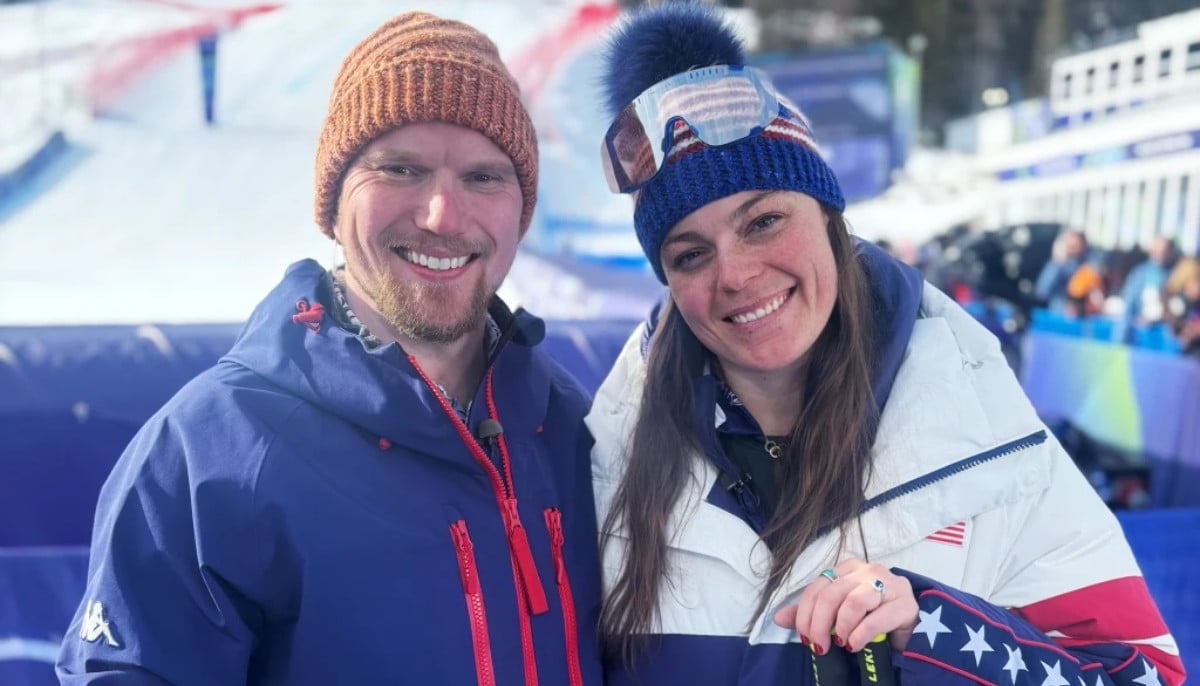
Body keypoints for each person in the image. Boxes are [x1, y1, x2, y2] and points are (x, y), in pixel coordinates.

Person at [585, 4, 1183, 685]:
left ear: (830, 217)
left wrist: (934, 633)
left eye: (765, 221)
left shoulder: (982, 436)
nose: (737, 276)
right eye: (690, 255)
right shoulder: (610, 462)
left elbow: (1147, 675)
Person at [57, 12, 604, 685]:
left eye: (484, 177)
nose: (441, 215)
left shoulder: (572, 432)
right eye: (400, 169)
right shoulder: (211, 452)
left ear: (521, 208)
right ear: (333, 199)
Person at [1117, 236, 1179, 341]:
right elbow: (1128, 305)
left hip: (1166, 338)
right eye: (1157, 250)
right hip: (1141, 337)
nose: (1160, 254)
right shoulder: (1140, 274)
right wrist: (1121, 336)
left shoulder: (1177, 275)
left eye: (1164, 251)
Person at [1034, 227, 1090, 313]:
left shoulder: (1087, 264)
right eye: (1071, 245)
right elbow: (1042, 292)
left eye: (1078, 244)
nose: (1075, 247)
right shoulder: (1057, 265)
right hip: (1059, 310)